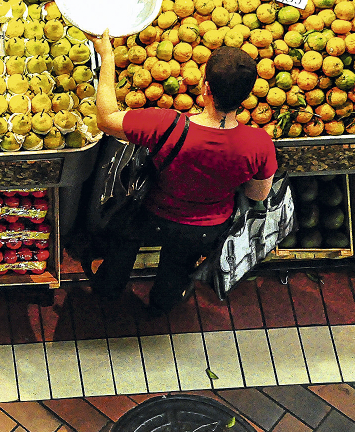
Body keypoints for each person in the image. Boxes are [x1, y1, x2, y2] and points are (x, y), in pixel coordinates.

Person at [89, 31, 278, 317]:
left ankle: (108, 288)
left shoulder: (167, 125)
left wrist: (108, 56)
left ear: (205, 88)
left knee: (123, 242)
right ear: (247, 95)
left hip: (152, 212)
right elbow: (257, 194)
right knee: (179, 266)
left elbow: (106, 119)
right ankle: (162, 303)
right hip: (205, 226)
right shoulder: (259, 144)